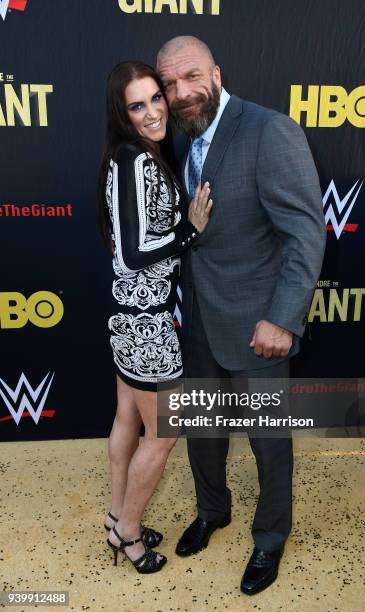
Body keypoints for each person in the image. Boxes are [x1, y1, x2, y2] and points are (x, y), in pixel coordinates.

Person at [157, 37, 326, 594]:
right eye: (169, 85)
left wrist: (282, 318)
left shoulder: (267, 129)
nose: (180, 93)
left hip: (258, 327)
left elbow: (304, 233)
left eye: (190, 78)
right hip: (198, 321)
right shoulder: (180, 138)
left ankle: (271, 537)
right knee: (202, 433)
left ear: (217, 73)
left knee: (268, 440)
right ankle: (212, 511)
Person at [96, 61, 212, 574]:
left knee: (127, 417)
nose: (151, 112)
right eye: (136, 106)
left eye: (155, 100)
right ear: (122, 115)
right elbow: (135, 254)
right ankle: (129, 533)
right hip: (146, 324)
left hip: (133, 316)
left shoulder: (137, 157)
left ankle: (116, 515)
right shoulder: (135, 162)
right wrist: (190, 229)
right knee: (163, 435)